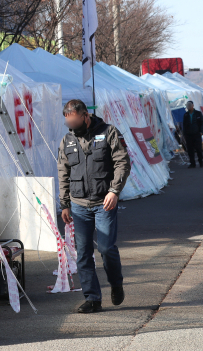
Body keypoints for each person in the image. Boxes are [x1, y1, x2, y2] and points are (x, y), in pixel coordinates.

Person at [57, 99, 131, 313]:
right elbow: (63, 172)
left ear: (85, 116)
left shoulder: (109, 132)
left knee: (106, 248)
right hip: (79, 205)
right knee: (83, 253)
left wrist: (114, 190)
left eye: (74, 121)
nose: (71, 126)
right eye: (67, 123)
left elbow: (122, 162)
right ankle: (92, 298)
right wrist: (65, 204)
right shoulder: (67, 140)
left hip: (104, 202)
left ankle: (116, 283)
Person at [182, 101, 203, 168]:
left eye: (189, 105)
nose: (188, 106)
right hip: (189, 135)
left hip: (197, 134)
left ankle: (201, 162)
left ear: (193, 105)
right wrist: (184, 134)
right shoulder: (186, 115)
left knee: (198, 149)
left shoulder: (198, 113)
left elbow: (202, 123)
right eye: (187, 105)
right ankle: (192, 163)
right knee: (190, 150)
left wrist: (201, 131)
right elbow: (184, 125)